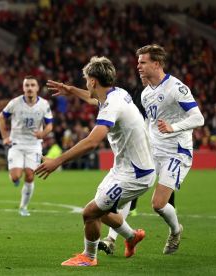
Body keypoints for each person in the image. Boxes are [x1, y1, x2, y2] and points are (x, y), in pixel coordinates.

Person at [36, 56, 156, 267]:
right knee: (103, 210)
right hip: (125, 168)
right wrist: (71, 89)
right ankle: (132, 237)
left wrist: (57, 161)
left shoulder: (112, 105)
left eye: (86, 80)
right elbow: (93, 99)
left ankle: (89, 257)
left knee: (90, 213)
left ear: (93, 81)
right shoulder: (118, 93)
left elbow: (92, 141)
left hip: (135, 174)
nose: (85, 84)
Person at [137, 44, 203, 254]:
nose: (138, 66)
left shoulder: (176, 88)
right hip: (154, 152)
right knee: (130, 187)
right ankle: (113, 237)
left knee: (157, 204)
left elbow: (198, 118)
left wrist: (174, 127)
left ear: (156, 64)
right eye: (138, 62)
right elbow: (149, 122)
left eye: (142, 62)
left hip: (176, 152)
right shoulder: (146, 93)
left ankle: (175, 231)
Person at [0, 75, 53, 216]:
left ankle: (23, 207)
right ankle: (15, 179)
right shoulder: (15, 103)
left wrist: (43, 133)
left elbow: (50, 125)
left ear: (37, 88)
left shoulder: (44, 104)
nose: (29, 88)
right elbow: (1, 117)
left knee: (29, 176)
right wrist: (5, 137)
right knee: (16, 176)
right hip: (16, 143)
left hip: (34, 145)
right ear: (23, 88)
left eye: (32, 85)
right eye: (27, 85)